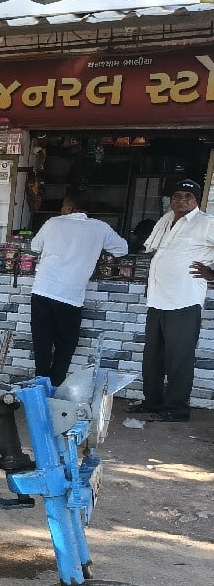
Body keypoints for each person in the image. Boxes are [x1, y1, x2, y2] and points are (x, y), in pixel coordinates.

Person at [126, 179, 214, 422]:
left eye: (188, 196)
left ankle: (176, 409)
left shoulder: (205, 223)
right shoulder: (166, 220)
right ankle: (152, 402)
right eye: (177, 195)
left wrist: (211, 274)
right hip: (157, 300)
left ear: (197, 200)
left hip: (184, 300)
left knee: (179, 358)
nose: (181, 200)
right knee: (153, 358)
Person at [28, 192, 128, 386]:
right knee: (66, 343)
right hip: (70, 295)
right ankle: (56, 384)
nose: (61, 210)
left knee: (42, 340)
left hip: (43, 289)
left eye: (63, 207)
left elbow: (34, 246)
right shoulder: (100, 228)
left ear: (70, 208)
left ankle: (40, 383)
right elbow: (122, 249)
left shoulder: (53, 223)